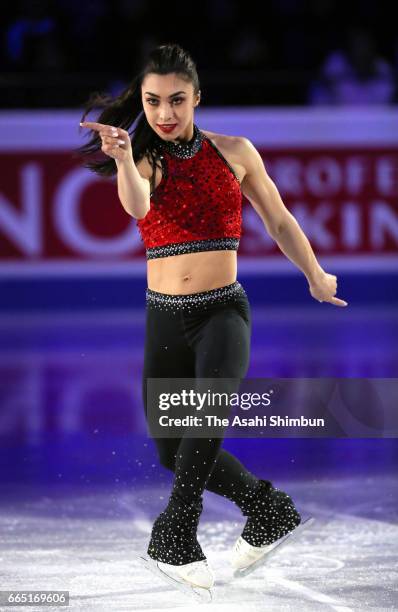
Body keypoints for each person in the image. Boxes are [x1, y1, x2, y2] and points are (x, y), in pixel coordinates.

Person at [77, 43, 348, 593]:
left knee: (202, 422)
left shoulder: (235, 152)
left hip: (222, 311)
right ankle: (267, 508)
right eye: (153, 102)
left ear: (197, 97)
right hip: (163, 318)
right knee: (169, 448)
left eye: (176, 100)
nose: (165, 113)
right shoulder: (146, 159)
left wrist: (315, 274)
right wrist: (126, 159)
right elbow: (137, 206)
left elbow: (278, 219)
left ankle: (175, 534)